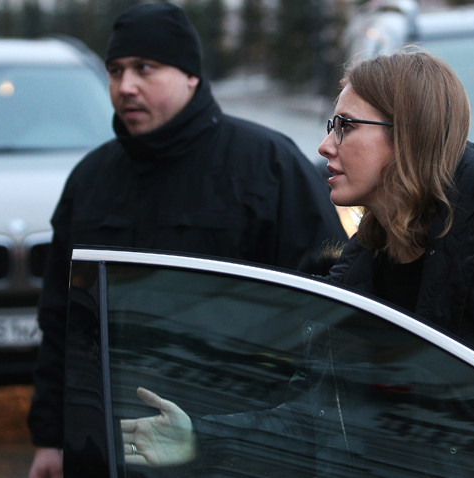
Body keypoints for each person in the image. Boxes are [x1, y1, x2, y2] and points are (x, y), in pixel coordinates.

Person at [120, 51, 474, 477]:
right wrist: (204, 437)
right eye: (330, 126)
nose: (325, 146)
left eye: (345, 126)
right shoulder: (361, 267)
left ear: (408, 136)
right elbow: (323, 418)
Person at [26, 3, 347, 477]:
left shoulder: (267, 166)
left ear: (192, 76)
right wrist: (50, 438)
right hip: (111, 444)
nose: (125, 85)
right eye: (115, 71)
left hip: (233, 445)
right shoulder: (91, 179)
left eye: (145, 68)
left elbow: (330, 312)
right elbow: (61, 319)